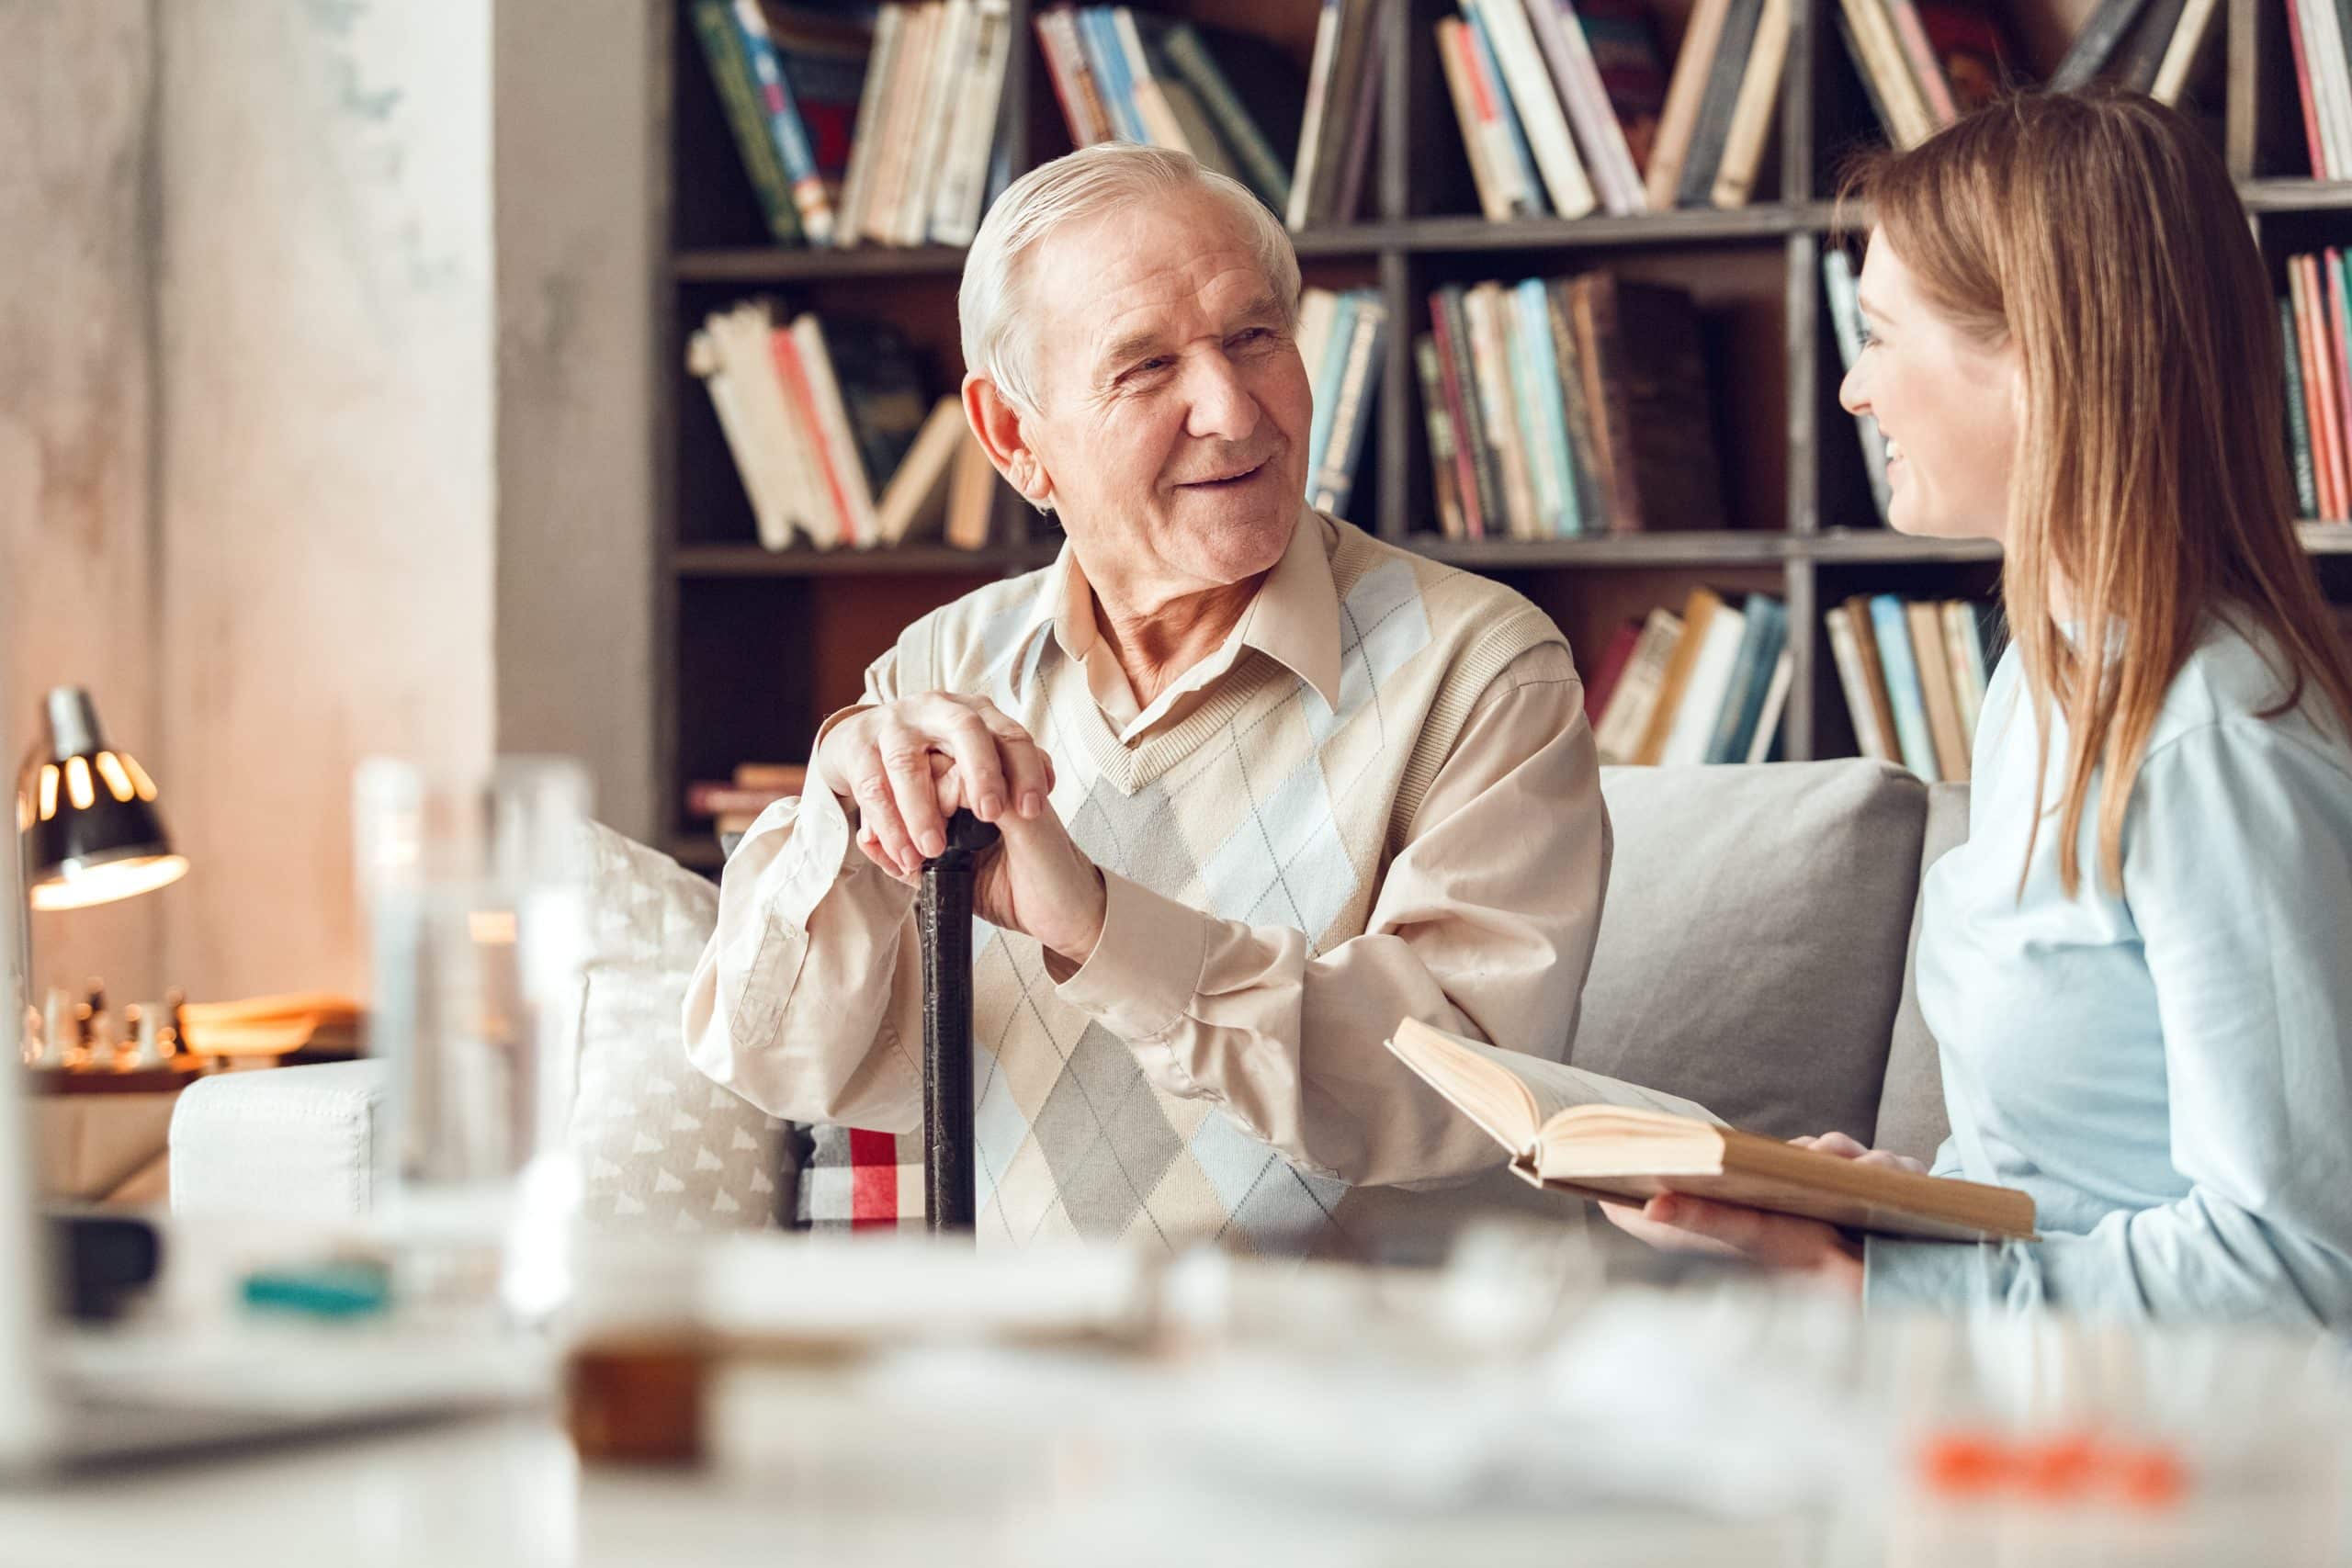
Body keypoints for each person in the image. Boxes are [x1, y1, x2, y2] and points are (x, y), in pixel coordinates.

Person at [683, 142, 1610, 1254]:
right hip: (1022, 1371)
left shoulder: (1481, 669)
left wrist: (1096, 927)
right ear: (1015, 439)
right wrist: (836, 826)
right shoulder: (946, 666)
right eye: (1145, 367)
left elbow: (1460, 1088)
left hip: (1353, 1374)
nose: (1230, 409)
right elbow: (779, 1066)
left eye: (1254, 338)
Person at [1605, 88, 2352, 1324]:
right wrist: (1900, 1205)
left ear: (2042, 355)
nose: (1853, 391)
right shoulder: (2045, 680)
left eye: (1883, 336)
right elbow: (2079, 1172)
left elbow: (2304, 1262)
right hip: (2039, 1408)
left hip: (2197, 1462)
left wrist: (1889, 1276)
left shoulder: (2213, 734)